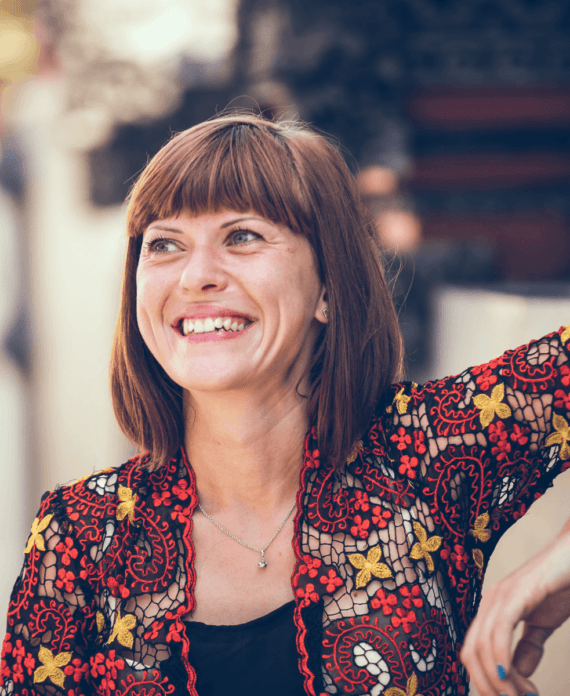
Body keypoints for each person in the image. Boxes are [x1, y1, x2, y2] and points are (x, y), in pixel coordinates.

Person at [1, 113, 569, 696]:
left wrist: (561, 563)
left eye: (242, 236)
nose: (196, 277)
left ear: (328, 286)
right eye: (165, 244)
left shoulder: (428, 452)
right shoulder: (81, 535)